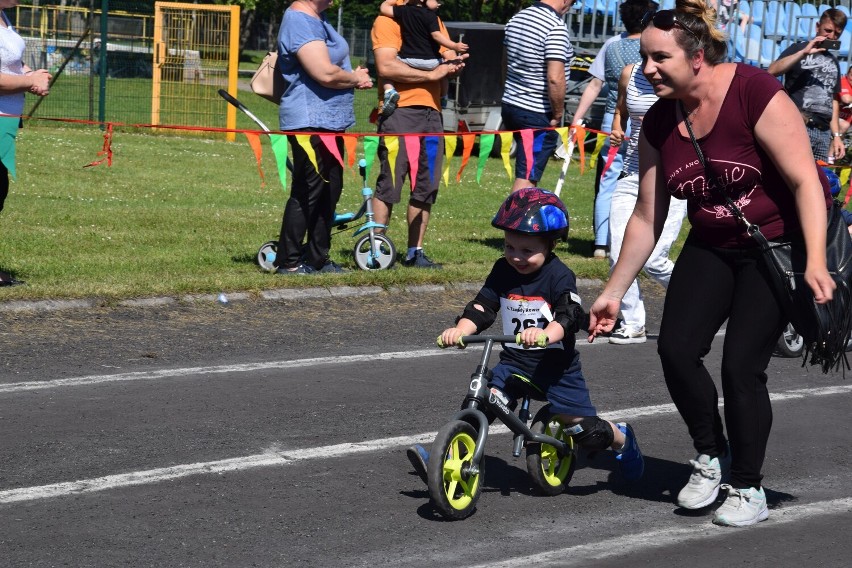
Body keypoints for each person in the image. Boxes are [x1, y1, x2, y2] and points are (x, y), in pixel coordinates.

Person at [589, 0, 836, 527]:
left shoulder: (753, 92)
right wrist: (613, 289)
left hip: (774, 247)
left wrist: (815, 259)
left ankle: (748, 487)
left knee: (741, 368)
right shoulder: (659, 118)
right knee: (677, 350)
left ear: (697, 56)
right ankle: (710, 455)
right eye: (644, 57)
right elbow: (647, 215)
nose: (647, 69)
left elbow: (804, 183)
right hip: (712, 244)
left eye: (659, 58)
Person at [407, 188, 645, 485]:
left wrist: (546, 333)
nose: (516, 257)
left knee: (586, 432)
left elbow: (568, 315)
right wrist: (461, 330)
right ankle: (445, 458)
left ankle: (622, 440)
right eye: (509, 247)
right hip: (516, 361)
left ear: (551, 244)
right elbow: (483, 306)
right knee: (480, 402)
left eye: (526, 251)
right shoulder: (502, 270)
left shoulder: (560, 275)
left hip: (556, 368)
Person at [273, 0, 372, 275]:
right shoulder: (299, 20)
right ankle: (289, 262)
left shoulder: (320, 17)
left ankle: (317, 257)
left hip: (331, 123)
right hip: (309, 122)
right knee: (308, 190)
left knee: (330, 189)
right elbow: (324, 73)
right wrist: (354, 78)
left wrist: (353, 78)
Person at [371, 6, 465, 269]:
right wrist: (432, 74)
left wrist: (453, 64)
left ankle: (415, 252)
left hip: (432, 113)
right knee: (390, 181)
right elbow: (386, 66)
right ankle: (377, 251)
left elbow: (447, 55)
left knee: (427, 184)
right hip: (399, 110)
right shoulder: (387, 20)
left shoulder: (434, 19)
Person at [606, 62, 687, 344]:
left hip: (670, 177)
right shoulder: (629, 73)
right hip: (631, 175)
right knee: (618, 254)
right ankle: (633, 323)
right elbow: (621, 111)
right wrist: (617, 127)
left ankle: (703, 300)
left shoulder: (682, 74)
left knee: (654, 260)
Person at [571, 0, 657, 259]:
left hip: (613, 120)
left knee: (608, 181)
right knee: (642, 182)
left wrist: (577, 118)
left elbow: (595, 84)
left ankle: (601, 243)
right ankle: (634, 241)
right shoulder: (653, 49)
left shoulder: (612, 45)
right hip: (644, 118)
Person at [0, 0, 50, 287]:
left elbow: (11, 63)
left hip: (6, 117)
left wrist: (34, 75)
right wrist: (28, 82)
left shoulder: (4, 16)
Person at [502, 0, 576, 193]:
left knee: (525, 169)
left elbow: (504, 63)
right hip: (536, 111)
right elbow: (555, 78)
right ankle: (514, 221)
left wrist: (510, 90)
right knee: (527, 178)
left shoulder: (517, 18)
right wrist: (558, 114)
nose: (570, 7)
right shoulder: (555, 26)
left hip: (511, 103)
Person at [768, 8, 847, 164]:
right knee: (790, 175)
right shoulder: (798, 49)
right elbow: (771, 71)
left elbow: (833, 100)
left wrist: (836, 136)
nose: (831, 36)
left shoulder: (834, 62)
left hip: (823, 133)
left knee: (818, 181)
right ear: (817, 27)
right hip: (799, 125)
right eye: (828, 30)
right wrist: (804, 53)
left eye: (837, 34)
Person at [377, 0, 467, 117]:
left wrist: (454, 68)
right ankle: (444, 95)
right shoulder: (431, 16)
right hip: (431, 64)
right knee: (444, 67)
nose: (439, 4)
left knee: (389, 71)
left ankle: (389, 90)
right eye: (437, 1)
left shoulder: (403, 11)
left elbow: (384, 7)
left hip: (408, 60)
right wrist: (454, 47)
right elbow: (437, 36)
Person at [836, 65, 852, 134]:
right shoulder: (843, 81)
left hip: (847, 118)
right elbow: (846, 99)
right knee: (844, 125)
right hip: (834, 117)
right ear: (847, 74)